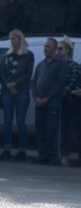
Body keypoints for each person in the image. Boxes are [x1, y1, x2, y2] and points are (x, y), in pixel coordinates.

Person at [0, 29, 35, 161]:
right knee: (7, 120)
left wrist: (15, 84)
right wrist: (8, 85)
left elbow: (28, 74)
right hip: (8, 91)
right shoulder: (5, 56)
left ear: (20, 39)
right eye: (10, 39)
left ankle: (22, 149)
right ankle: (7, 148)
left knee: (20, 119)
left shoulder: (28, 55)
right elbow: (1, 73)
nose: (12, 41)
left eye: (14, 38)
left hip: (22, 90)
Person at [32, 37, 68, 165]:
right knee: (40, 130)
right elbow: (33, 82)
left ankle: (53, 157)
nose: (45, 49)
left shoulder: (60, 64)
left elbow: (59, 84)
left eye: (48, 46)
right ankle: (42, 156)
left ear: (54, 48)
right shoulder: (40, 65)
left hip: (52, 104)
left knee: (52, 131)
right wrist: (36, 97)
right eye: (45, 46)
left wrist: (47, 98)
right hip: (39, 103)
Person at [58, 37, 81, 166]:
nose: (58, 51)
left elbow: (72, 82)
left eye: (60, 49)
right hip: (57, 100)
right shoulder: (56, 64)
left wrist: (65, 91)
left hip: (71, 101)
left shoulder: (74, 66)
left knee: (74, 129)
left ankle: (76, 155)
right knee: (63, 130)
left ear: (68, 50)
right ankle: (63, 154)